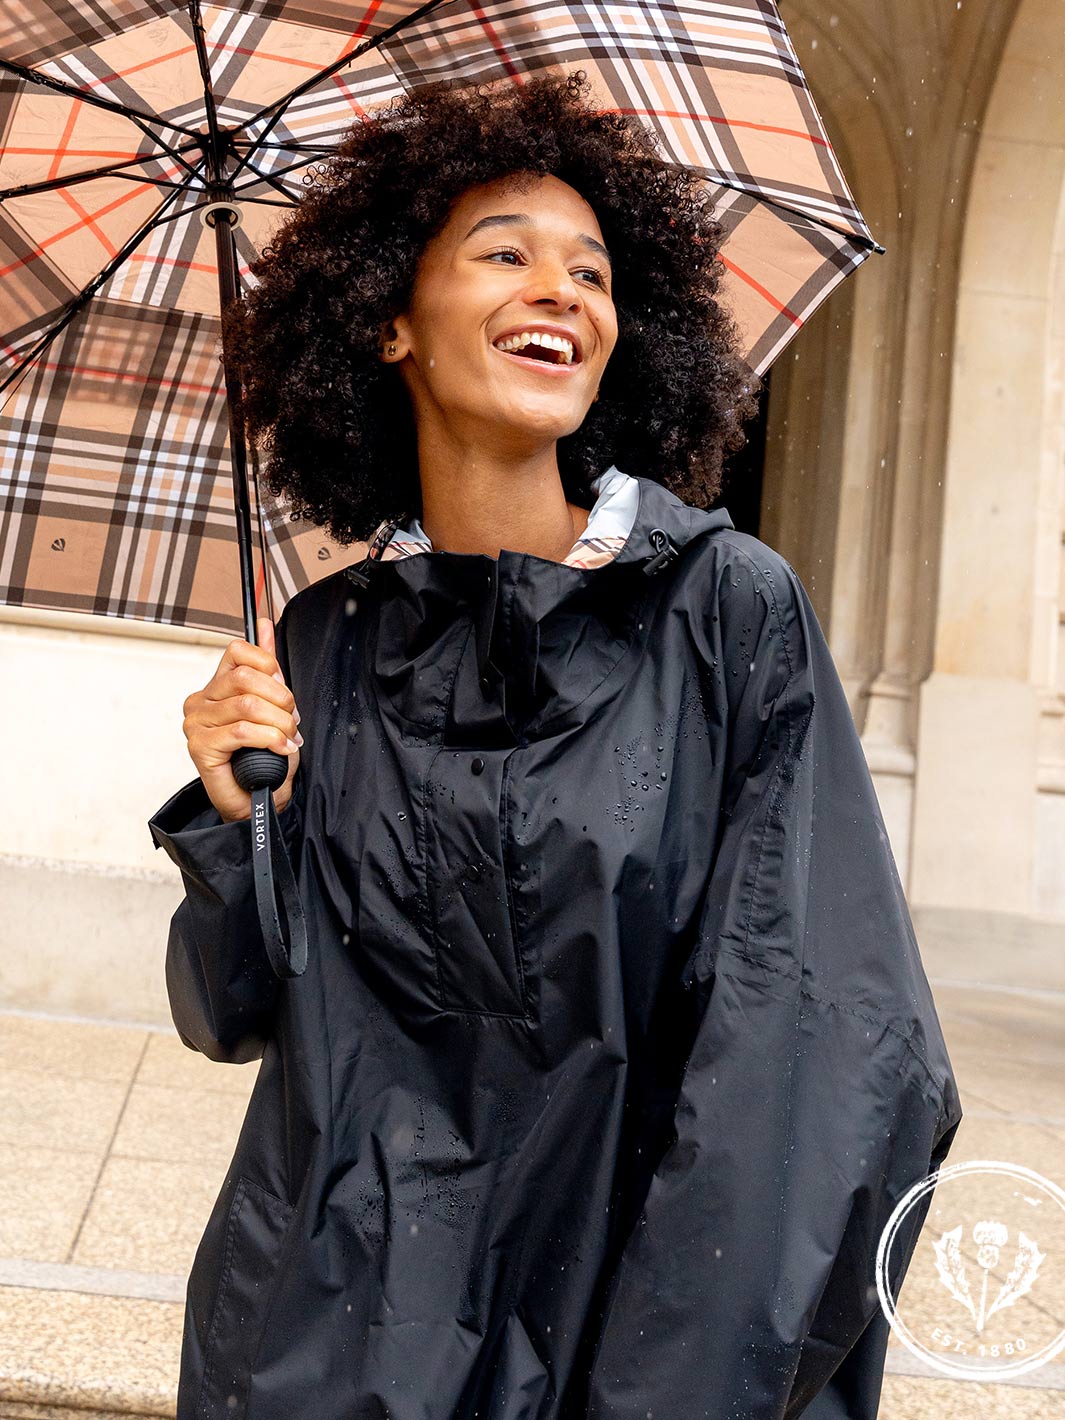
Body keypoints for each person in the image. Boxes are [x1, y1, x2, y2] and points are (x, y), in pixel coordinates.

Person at [148, 70, 962, 1420]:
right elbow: (234, 1013)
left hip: (624, 1345)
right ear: (390, 322)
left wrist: (670, 1387)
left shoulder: (723, 612)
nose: (563, 293)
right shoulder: (324, 643)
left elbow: (823, 1043)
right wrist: (238, 818)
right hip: (327, 1348)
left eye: (591, 272)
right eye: (505, 255)